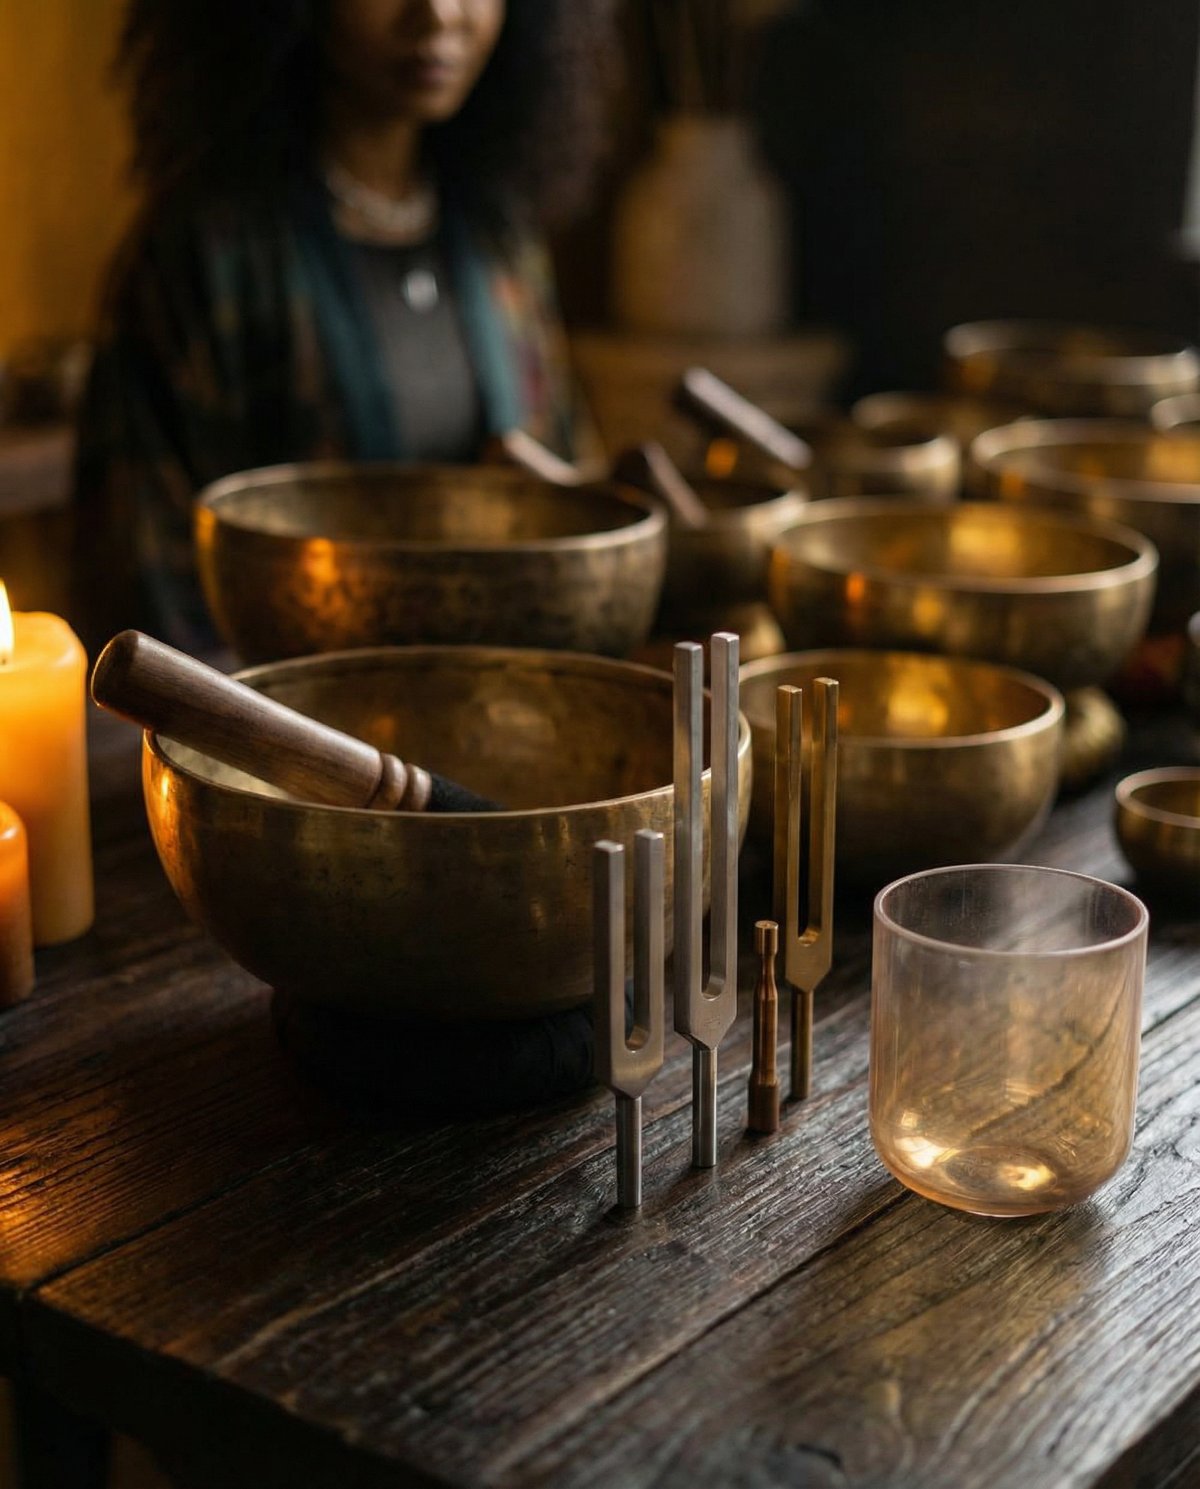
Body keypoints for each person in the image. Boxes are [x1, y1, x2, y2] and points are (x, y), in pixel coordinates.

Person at [73, 0, 617, 646]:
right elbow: (151, 599)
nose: (439, 14)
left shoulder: (499, 238)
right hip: (281, 732)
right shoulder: (205, 257)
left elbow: (573, 498)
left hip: (507, 716)